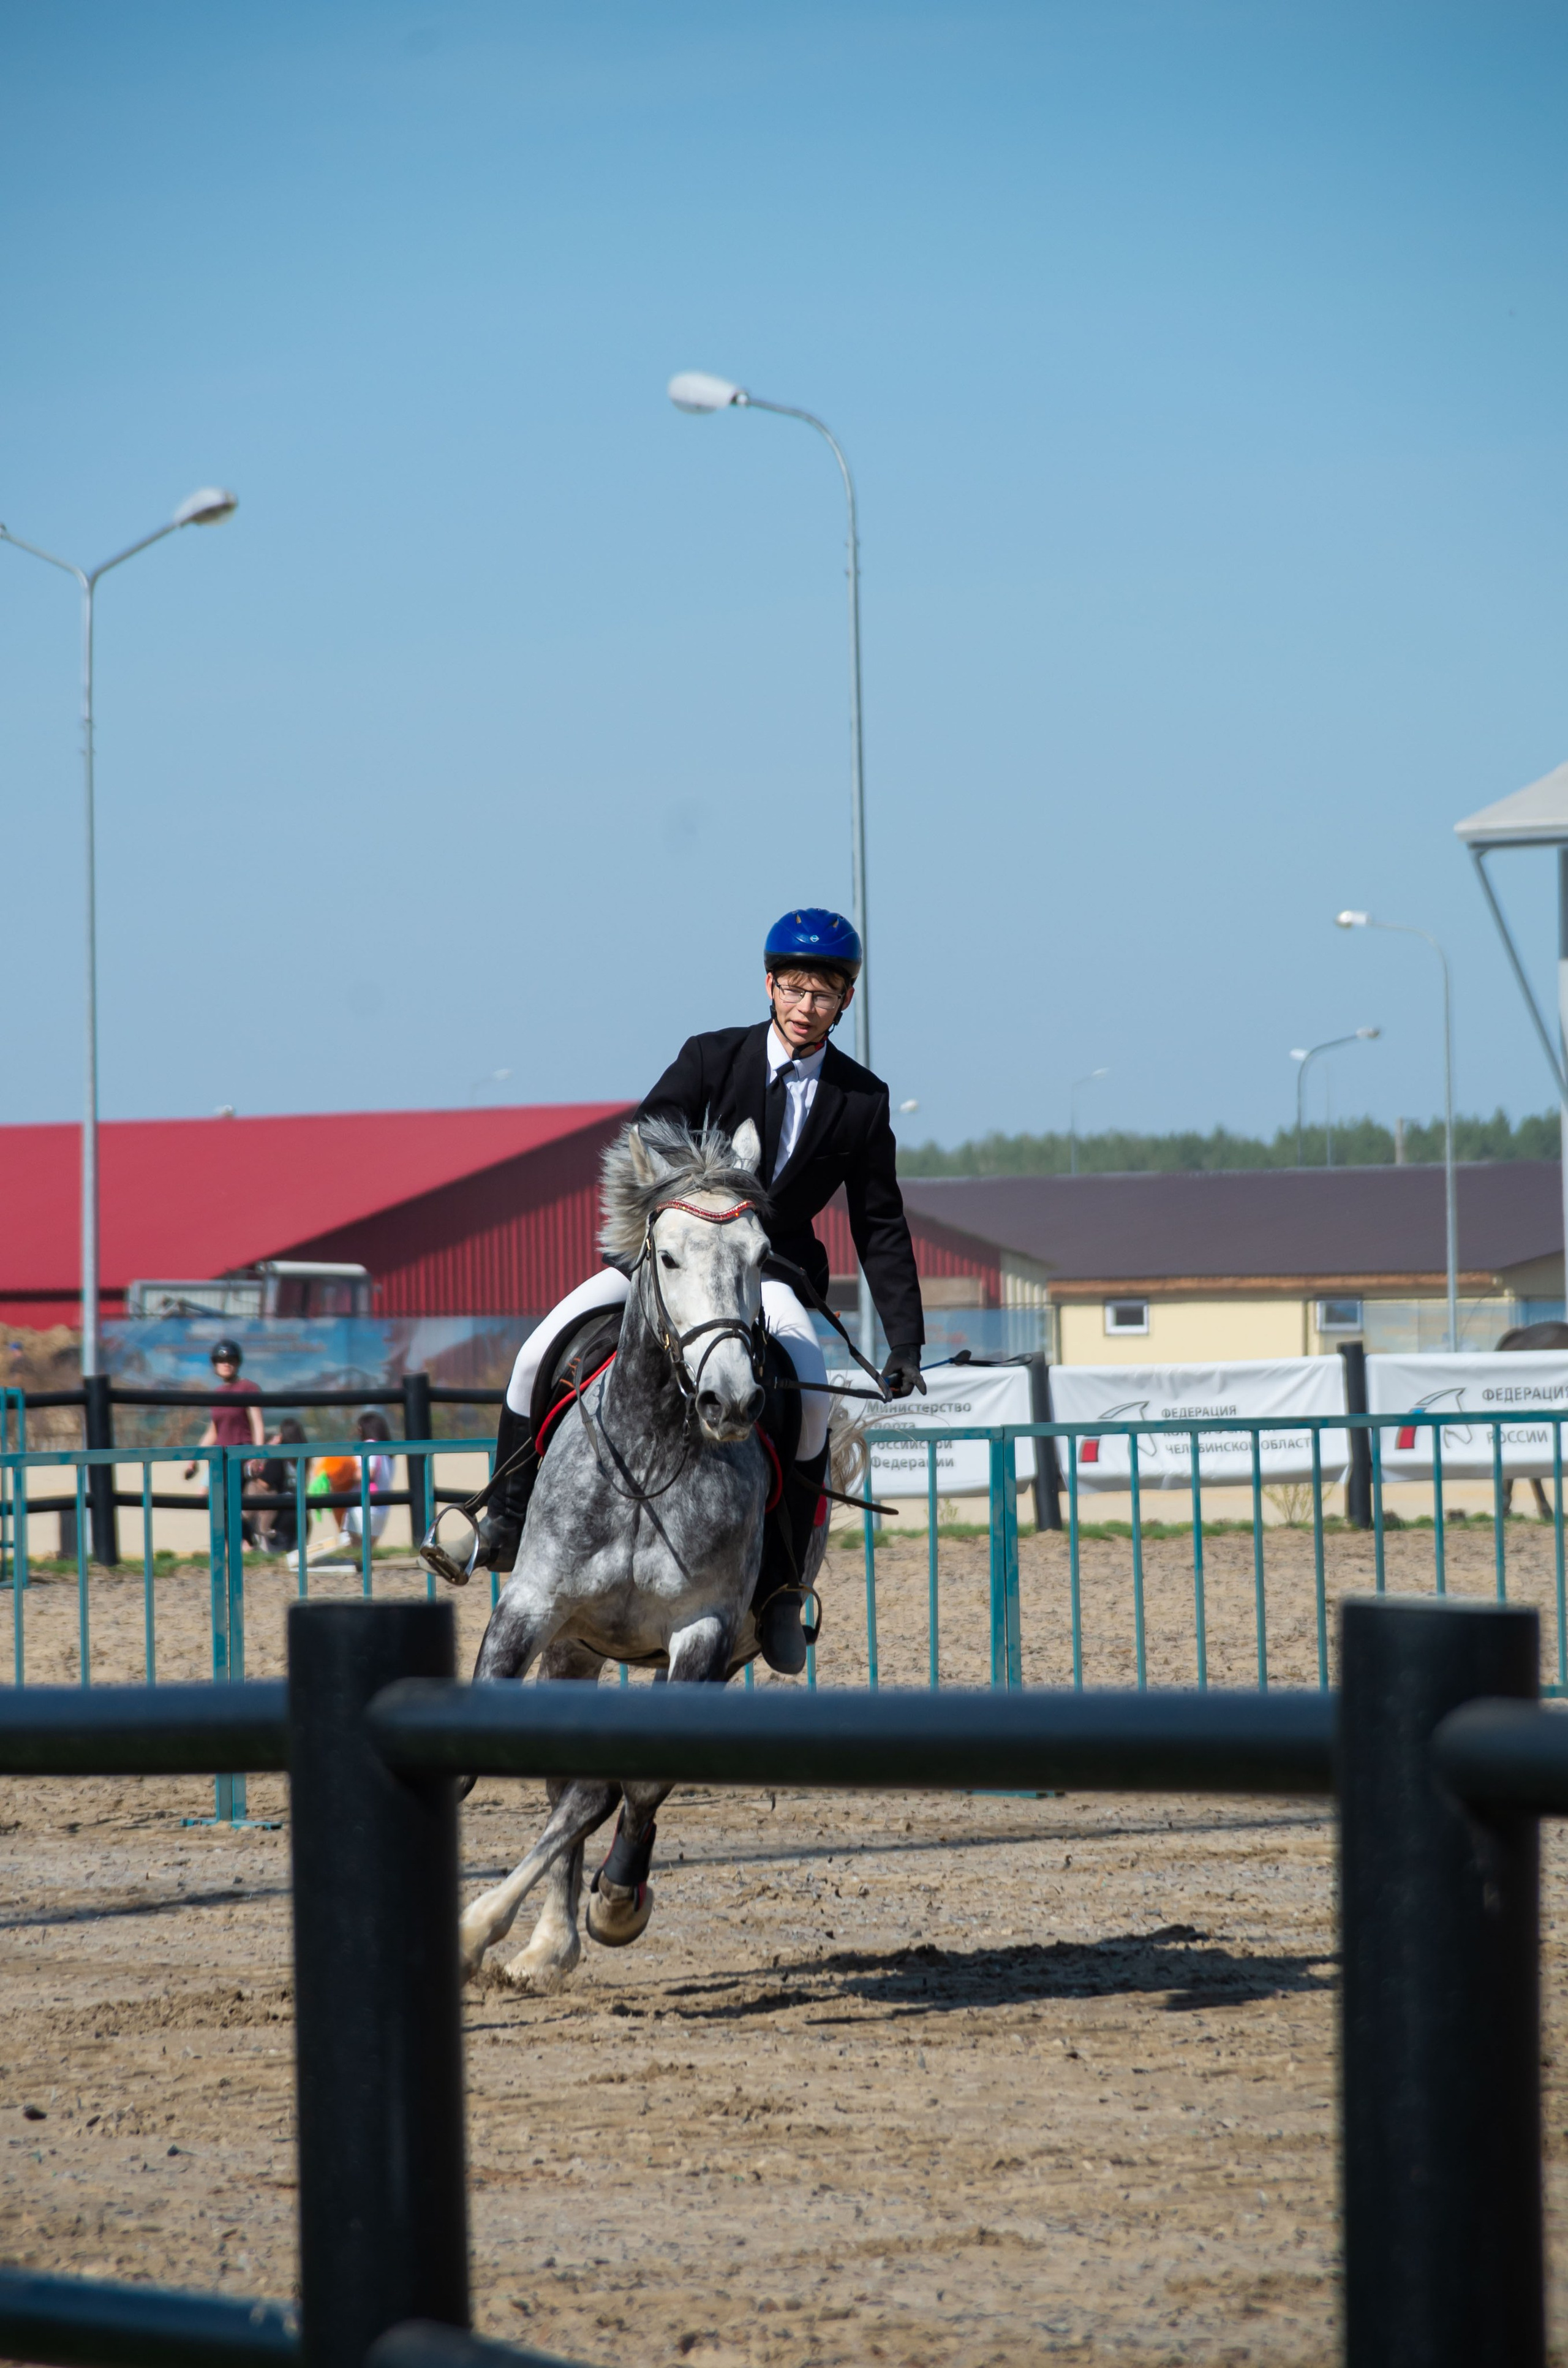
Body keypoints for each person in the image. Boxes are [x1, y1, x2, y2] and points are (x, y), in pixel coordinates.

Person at [477, 907, 926, 1674]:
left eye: (823, 992)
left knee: (811, 1393)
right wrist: (702, 1186)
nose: (806, 1004)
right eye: (793, 987)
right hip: (675, 1257)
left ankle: (781, 1583)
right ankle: (504, 1520)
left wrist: (904, 1340)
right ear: (769, 985)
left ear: (844, 1001)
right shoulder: (712, 1056)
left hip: (770, 1271)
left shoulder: (862, 1099)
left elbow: (879, 1220)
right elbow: (650, 1128)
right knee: (532, 1353)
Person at [184, 1339, 266, 1541]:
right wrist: (194, 1459)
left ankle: (243, 1543)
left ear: (238, 1363)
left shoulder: (248, 1388)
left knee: (228, 1500)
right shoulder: (217, 1394)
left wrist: (258, 1456)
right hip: (219, 1456)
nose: (226, 1364)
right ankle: (234, 1544)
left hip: (240, 1452)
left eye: (231, 1359)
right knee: (219, 1502)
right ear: (215, 1365)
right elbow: (213, 1431)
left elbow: (257, 1423)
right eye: (221, 1360)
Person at [253, 1418, 308, 1558]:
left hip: (280, 1518)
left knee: (279, 1560)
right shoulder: (304, 1457)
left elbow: (263, 1483)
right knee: (298, 1562)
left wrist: (272, 1449)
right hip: (301, 1516)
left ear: (283, 1436)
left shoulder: (278, 1460)